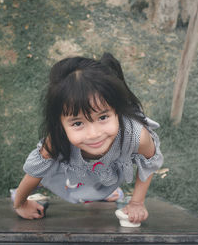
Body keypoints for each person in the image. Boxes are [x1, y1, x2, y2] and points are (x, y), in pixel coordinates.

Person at [13, 53, 163, 224]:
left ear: (117, 109)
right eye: (77, 123)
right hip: (72, 173)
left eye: (103, 117)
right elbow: (34, 172)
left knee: (101, 180)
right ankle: (92, 192)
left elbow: (149, 163)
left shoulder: (136, 135)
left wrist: (136, 202)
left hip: (108, 169)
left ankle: (101, 192)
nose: (93, 134)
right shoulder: (56, 140)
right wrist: (21, 203)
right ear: (59, 123)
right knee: (55, 180)